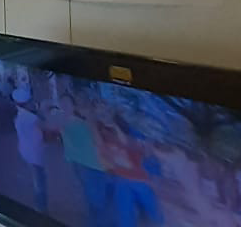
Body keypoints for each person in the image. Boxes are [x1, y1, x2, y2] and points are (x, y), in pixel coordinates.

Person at [52, 93, 110, 225]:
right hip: (81, 164)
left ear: (74, 106)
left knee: (96, 199)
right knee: (92, 197)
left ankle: (96, 221)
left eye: (67, 103)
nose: (64, 106)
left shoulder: (82, 123)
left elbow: (98, 142)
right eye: (62, 104)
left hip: (93, 165)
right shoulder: (63, 121)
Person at [97, 119, 164, 227]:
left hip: (141, 180)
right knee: (126, 214)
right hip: (124, 180)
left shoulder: (133, 137)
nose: (107, 135)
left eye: (109, 132)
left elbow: (148, 155)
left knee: (155, 212)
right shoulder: (106, 146)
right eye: (104, 133)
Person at [13, 87, 49, 212]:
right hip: (34, 154)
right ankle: (40, 207)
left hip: (26, 151)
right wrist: (43, 111)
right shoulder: (30, 117)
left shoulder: (20, 115)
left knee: (37, 178)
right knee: (39, 181)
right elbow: (47, 126)